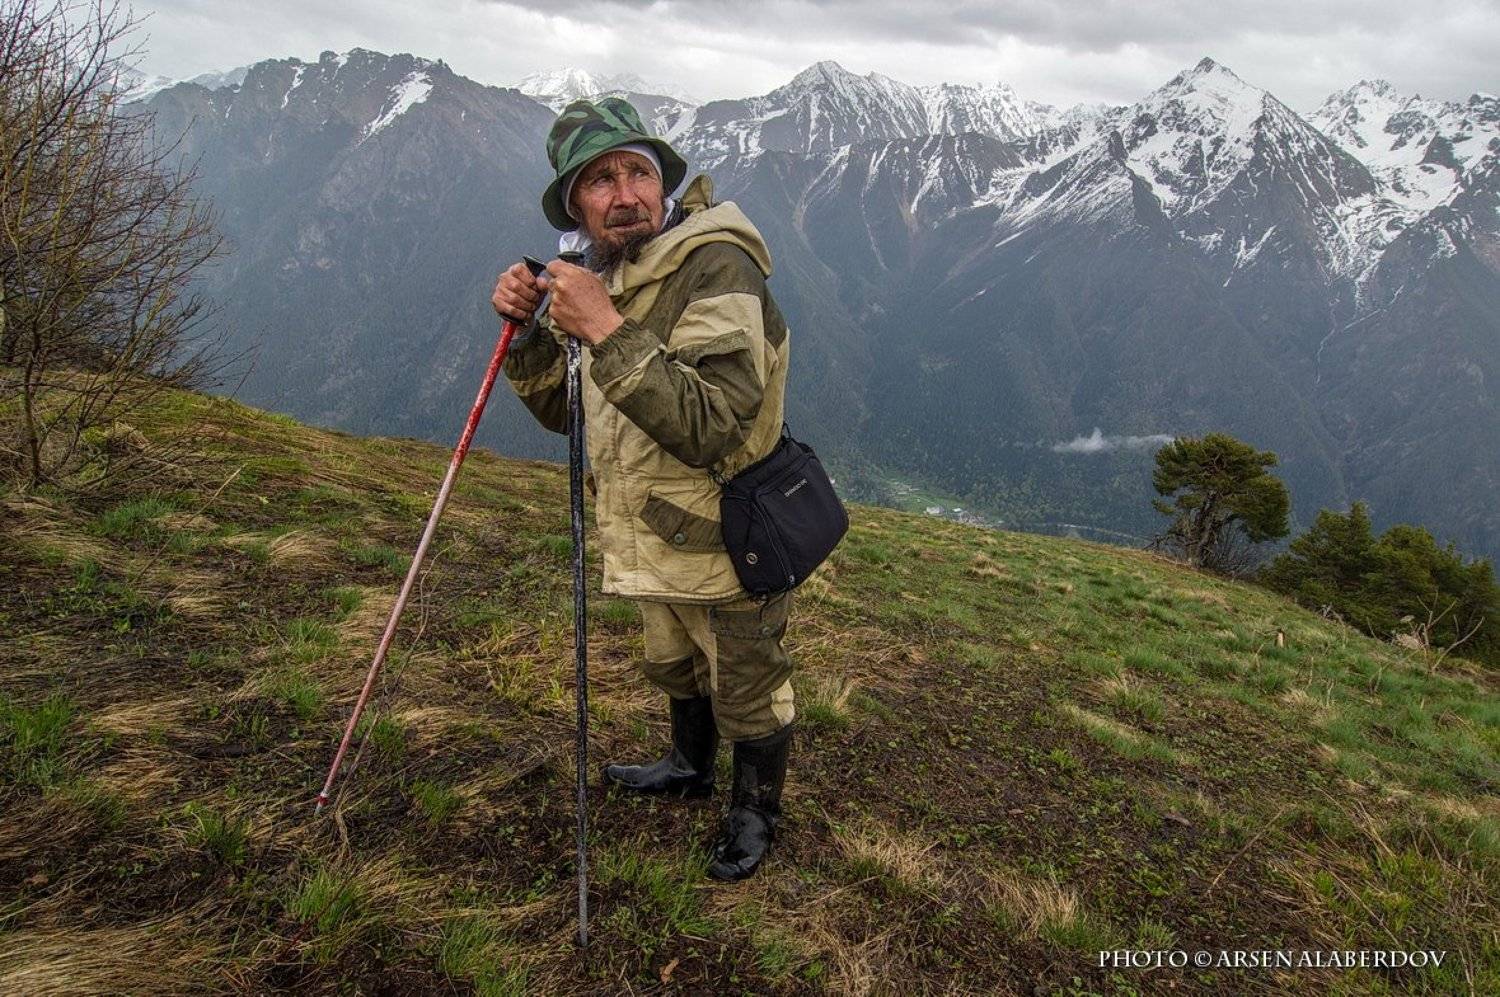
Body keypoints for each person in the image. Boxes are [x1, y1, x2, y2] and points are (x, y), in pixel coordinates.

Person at [490, 96, 795, 882]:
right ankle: (687, 767)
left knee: (747, 680)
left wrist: (605, 329)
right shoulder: (607, 276)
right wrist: (530, 334)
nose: (624, 193)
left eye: (638, 172)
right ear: (576, 207)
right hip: (654, 523)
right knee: (675, 660)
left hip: (730, 530)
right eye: (599, 180)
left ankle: (755, 810)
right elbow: (571, 414)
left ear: (663, 186)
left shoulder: (716, 266)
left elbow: (717, 423)